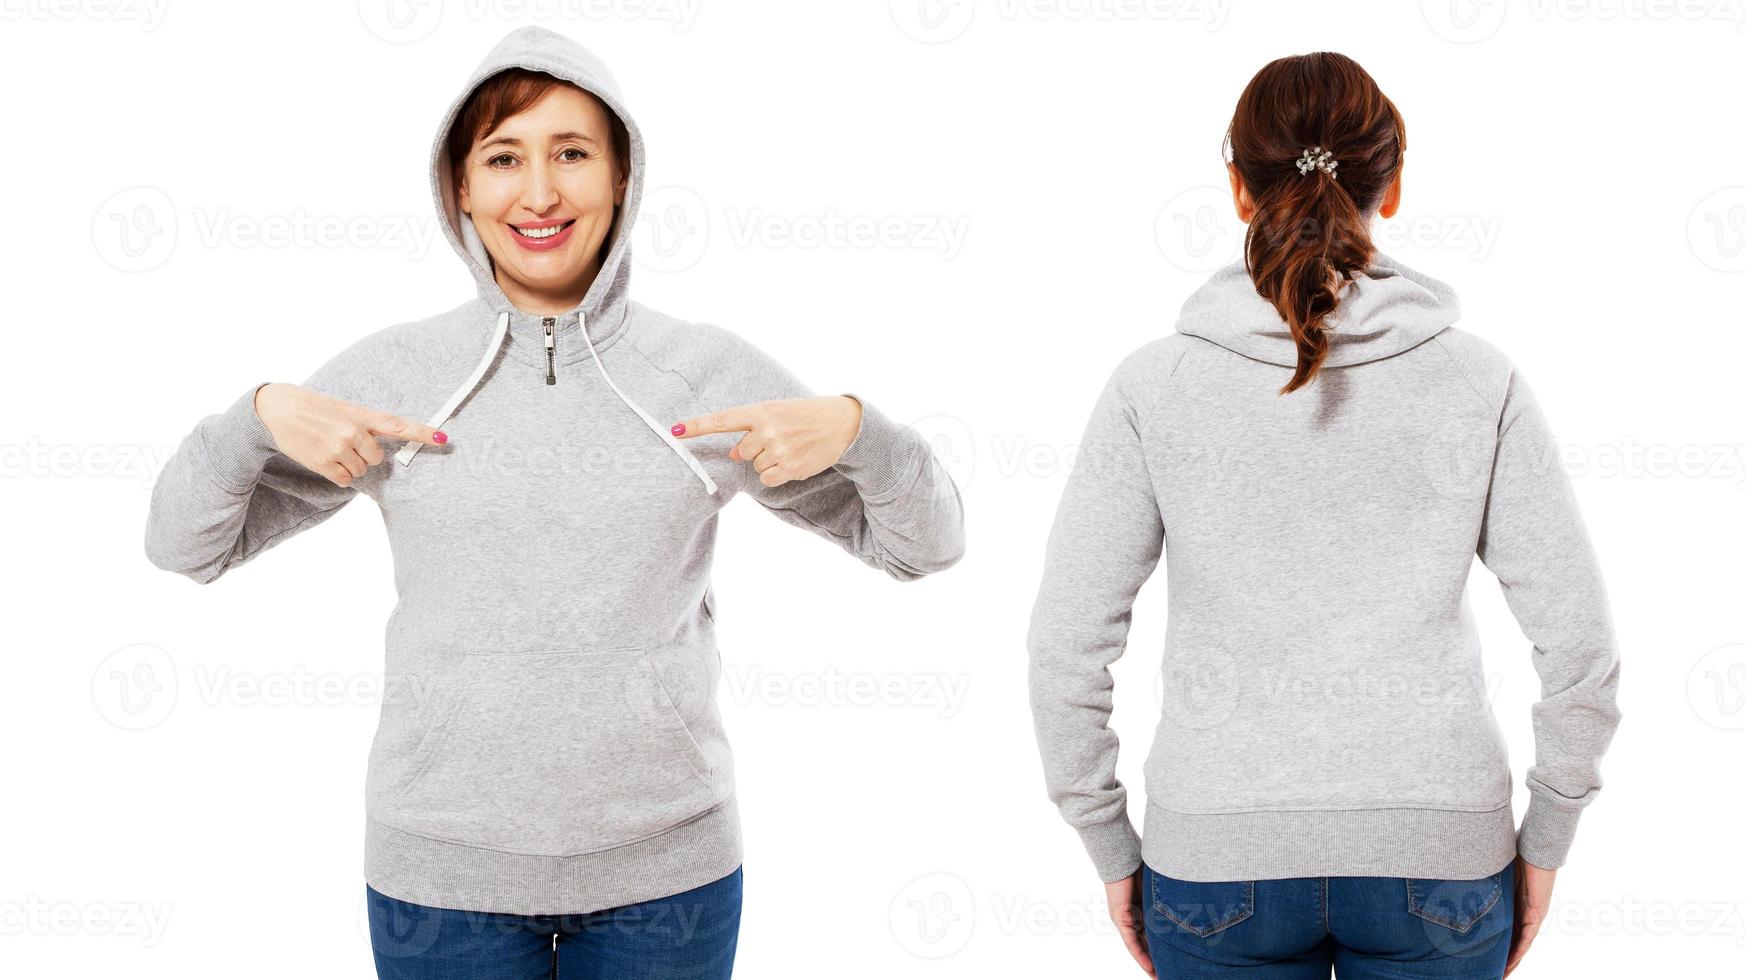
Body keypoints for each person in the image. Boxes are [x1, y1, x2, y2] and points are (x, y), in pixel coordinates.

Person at [144, 25, 965, 979]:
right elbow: (182, 545)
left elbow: (925, 547)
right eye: (503, 159)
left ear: (623, 177)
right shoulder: (395, 375)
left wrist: (860, 429)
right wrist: (253, 417)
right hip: (439, 883)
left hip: (671, 881)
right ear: (459, 187)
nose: (538, 194)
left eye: (571, 154)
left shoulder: (703, 375)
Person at [1026, 52, 1620, 979]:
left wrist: (1106, 840)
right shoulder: (1477, 380)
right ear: (1392, 185)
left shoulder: (1154, 386)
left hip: (1215, 860)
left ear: (1235, 188)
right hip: (1441, 863)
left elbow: (1066, 641)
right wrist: (1547, 836)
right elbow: (1580, 643)